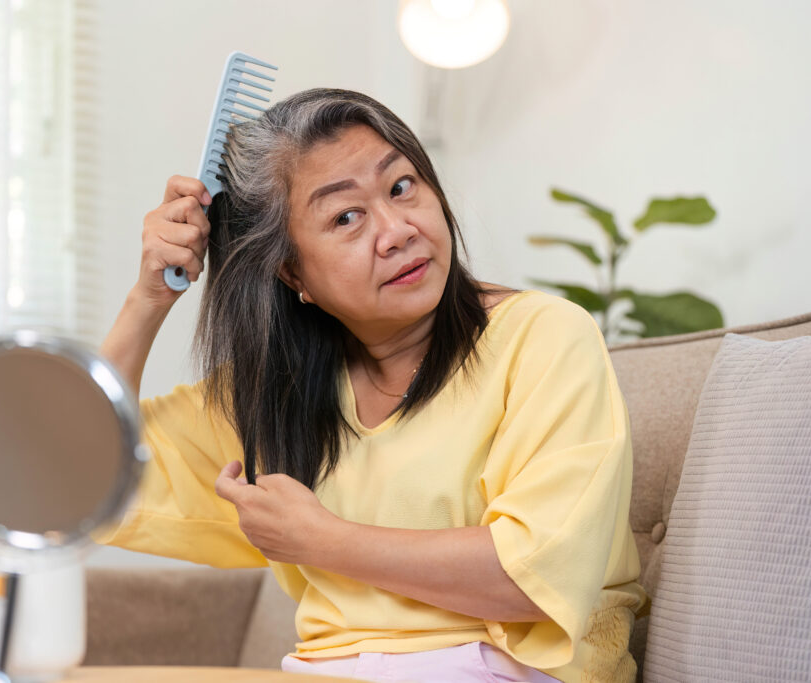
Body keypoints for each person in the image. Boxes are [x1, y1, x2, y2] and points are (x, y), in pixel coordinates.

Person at [98, 88, 647, 682]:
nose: (397, 230)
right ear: (292, 272)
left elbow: (534, 576)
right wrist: (148, 299)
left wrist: (321, 539)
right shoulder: (275, 393)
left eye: (401, 186)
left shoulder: (542, 336)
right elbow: (74, 475)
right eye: (346, 217)